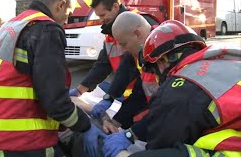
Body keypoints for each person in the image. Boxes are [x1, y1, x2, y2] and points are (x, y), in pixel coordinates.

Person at [0, 0, 105, 157]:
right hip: (18, 139)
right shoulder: (46, 29)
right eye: (69, 14)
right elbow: (55, 102)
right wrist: (86, 127)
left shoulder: (14, 24)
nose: (67, 21)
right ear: (61, 5)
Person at [102, 20, 241, 156]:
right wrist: (130, 134)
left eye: (153, 70)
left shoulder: (181, 87)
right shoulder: (225, 57)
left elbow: (159, 146)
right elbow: (166, 111)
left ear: (161, 62)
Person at [69, 0, 157, 129]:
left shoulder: (141, 25)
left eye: (103, 15)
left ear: (115, 7)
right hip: (129, 94)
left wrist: (118, 119)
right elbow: (103, 65)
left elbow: (133, 73)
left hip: (144, 96)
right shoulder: (111, 35)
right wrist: (80, 90)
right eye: (98, 16)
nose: (101, 20)